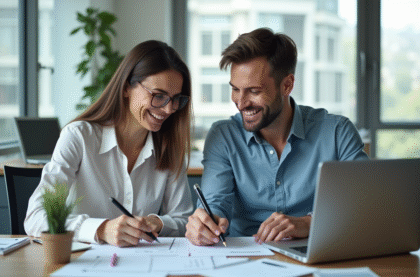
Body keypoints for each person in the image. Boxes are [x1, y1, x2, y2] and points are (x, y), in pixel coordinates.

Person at [185, 28, 369, 246]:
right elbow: (215, 202)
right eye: (235, 89)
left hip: (317, 251)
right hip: (244, 256)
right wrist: (207, 223)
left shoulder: (338, 132)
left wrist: (308, 223)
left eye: (253, 91)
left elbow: (364, 206)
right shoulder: (223, 136)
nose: (241, 103)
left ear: (287, 85)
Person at [25, 40, 194, 247]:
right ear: (126, 88)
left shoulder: (169, 147)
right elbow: (36, 216)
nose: (169, 110)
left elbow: (184, 219)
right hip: (83, 267)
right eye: (159, 96)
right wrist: (101, 229)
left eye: (176, 99)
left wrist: (157, 222)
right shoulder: (79, 137)